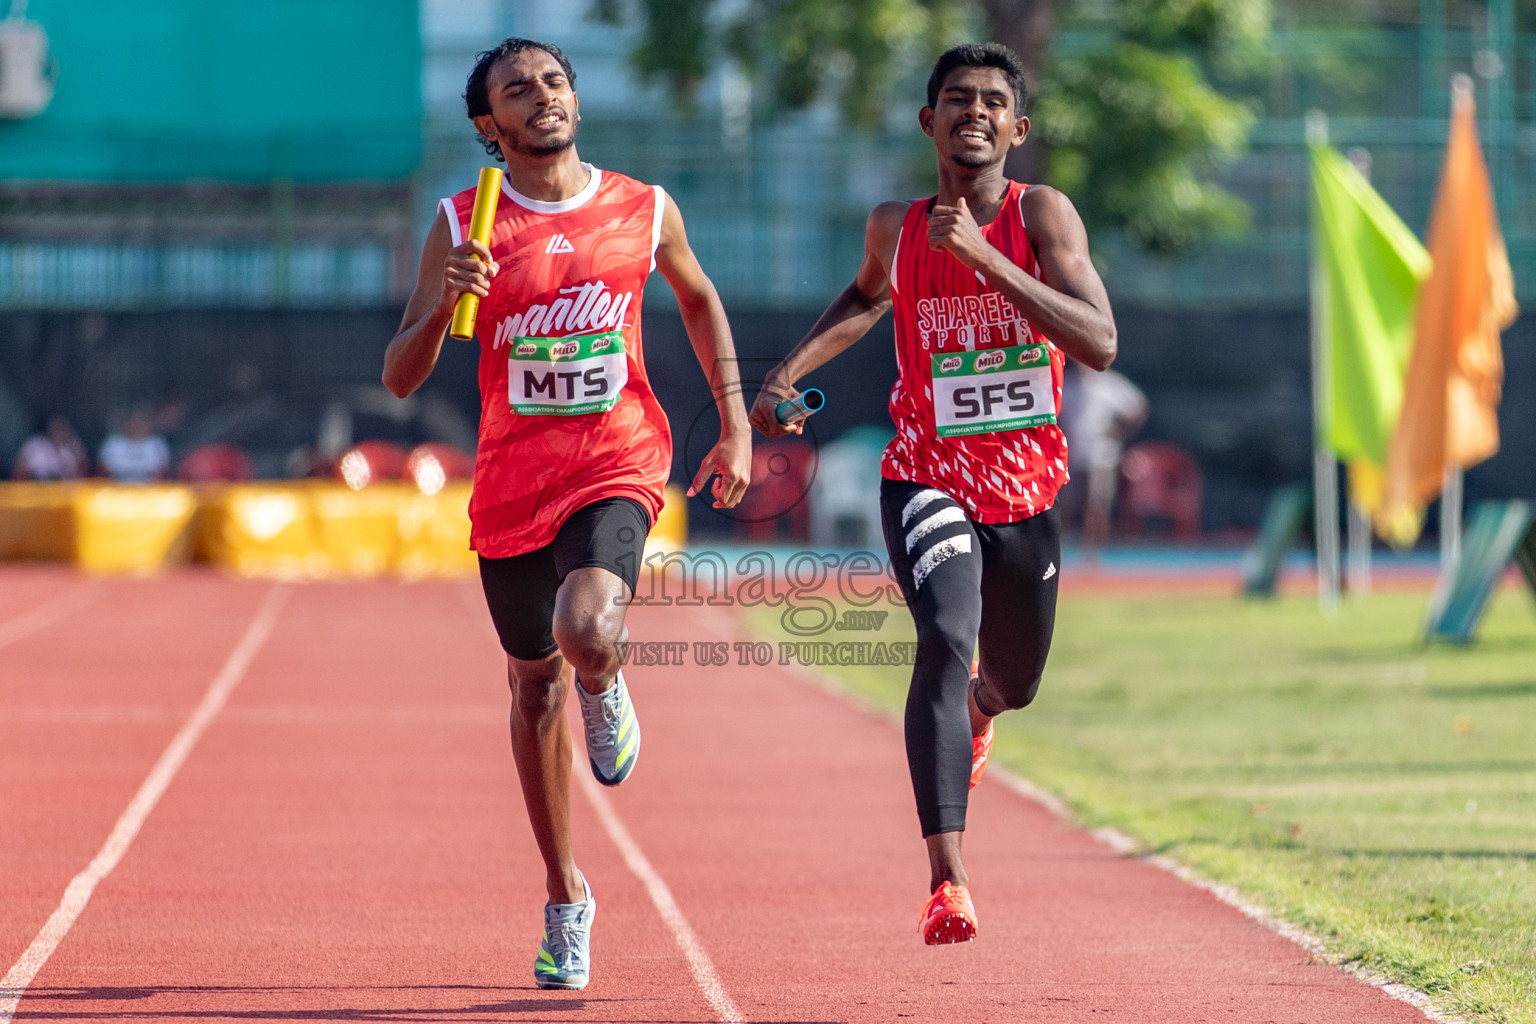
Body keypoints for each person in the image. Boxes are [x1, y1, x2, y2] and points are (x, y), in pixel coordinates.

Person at [381, 38, 751, 991]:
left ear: (575, 101)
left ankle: (606, 675)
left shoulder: (643, 206)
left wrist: (736, 423)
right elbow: (400, 375)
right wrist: (442, 305)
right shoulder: (464, 221)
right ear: (488, 127)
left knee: (585, 630)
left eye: (554, 82)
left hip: (617, 460)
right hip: (512, 482)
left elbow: (702, 299)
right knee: (528, 688)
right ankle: (566, 896)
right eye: (518, 91)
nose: (541, 98)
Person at [750, 43, 1117, 945]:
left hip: (1026, 487)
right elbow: (866, 296)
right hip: (928, 473)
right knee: (946, 639)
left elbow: (1101, 340)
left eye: (994, 102)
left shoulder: (1046, 216)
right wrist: (786, 372)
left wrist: (989, 261)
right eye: (957, 99)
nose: (975, 113)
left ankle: (984, 717)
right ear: (929, 122)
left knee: (1014, 682)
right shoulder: (896, 226)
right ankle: (947, 879)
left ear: (1017, 129)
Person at [1062, 363, 1147, 556]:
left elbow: (1138, 408)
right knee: (1066, 504)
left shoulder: (1109, 384)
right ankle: (1060, 548)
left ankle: (1091, 551)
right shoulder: (1069, 384)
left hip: (1102, 456)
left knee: (1097, 504)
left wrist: (1118, 433)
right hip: (1072, 456)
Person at [98, 410, 170, 482]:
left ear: (148, 425)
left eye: (141, 423)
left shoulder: (156, 444)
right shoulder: (113, 443)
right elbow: (105, 470)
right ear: (126, 424)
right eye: (133, 423)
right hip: (115, 488)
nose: (136, 426)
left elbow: (160, 471)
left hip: (150, 489)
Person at [12, 415, 87, 480]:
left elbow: (80, 474)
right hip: (35, 489)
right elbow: (19, 471)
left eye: (62, 428)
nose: (59, 432)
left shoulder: (72, 445)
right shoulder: (35, 445)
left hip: (64, 491)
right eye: (56, 428)